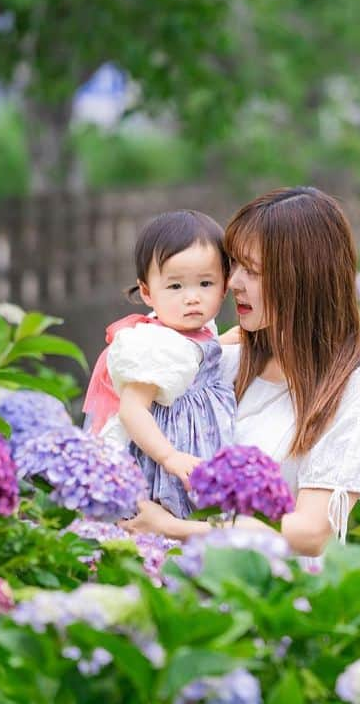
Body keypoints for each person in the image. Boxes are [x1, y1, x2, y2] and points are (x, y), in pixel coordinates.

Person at [120, 187, 360, 556]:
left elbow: (311, 534)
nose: (232, 282)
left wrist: (176, 529)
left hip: (269, 598)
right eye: (233, 265)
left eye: (252, 270)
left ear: (303, 279)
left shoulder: (358, 395)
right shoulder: (220, 364)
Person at [83, 210, 236, 518]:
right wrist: (169, 457)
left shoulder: (196, 330)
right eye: (175, 287)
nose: (192, 298)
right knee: (172, 516)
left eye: (205, 283)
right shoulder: (154, 345)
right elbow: (132, 409)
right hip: (166, 453)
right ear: (147, 292)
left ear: (224, 285)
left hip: (198, 442)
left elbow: (195, 354)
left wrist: (230, 341)